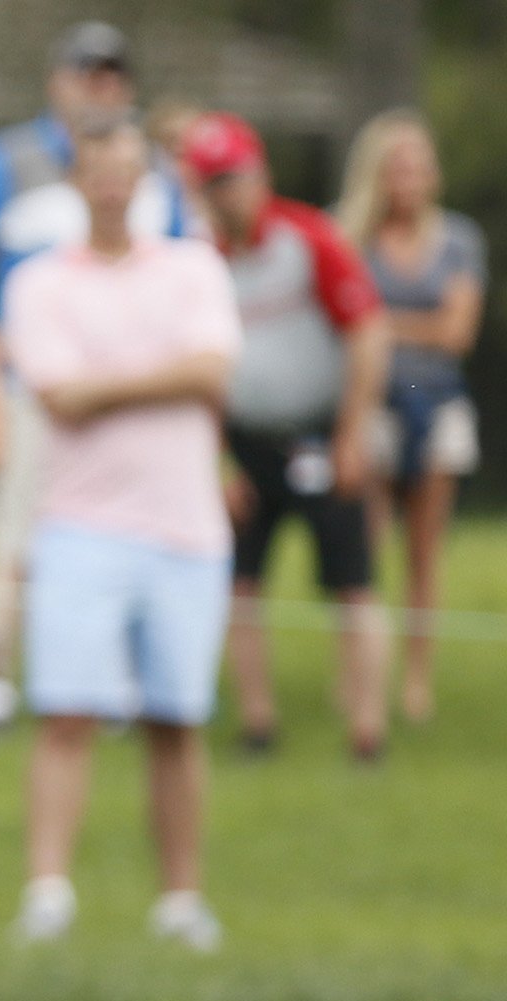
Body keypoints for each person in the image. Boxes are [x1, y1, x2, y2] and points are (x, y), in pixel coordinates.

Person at [2, 121, 242, 952]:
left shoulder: (193, 268)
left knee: (176, 719)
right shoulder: (39, 283)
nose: (113, 187)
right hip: (81, 526)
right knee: (66, 712)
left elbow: (211, 371)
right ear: (76, 182)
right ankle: (47, 894)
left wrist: (109, 385)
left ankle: (180, 901)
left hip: (186, 527)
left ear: (149, 183)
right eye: (98, 173)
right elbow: (58, 396)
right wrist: (161, 377)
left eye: (128, 174)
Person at [0, 22, 189, 731]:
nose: (98, 86)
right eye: (85, 72)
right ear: (57, 81)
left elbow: (187, 265)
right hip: (33, 387)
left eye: (111, 74)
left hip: (137, 392)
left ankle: (117, 680)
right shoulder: (11, 159)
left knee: (125, 531)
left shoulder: (159, 169)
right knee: (15, 533)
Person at [182, 111, 393, 761]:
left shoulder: (310, 239)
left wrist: (353, 434)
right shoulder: (198, 262)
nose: (227, 193)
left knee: (351, 585)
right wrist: (214, 463)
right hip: (246, 443)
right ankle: (258, 723)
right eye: (212, 181)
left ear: (260, 172)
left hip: (324, 435)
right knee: (240, 585)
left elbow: (367, 334)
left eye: (234, 177)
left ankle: (366, 730)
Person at [336, 109, 486, 725]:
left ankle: (417, 680)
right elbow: (341, 323)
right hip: (371, 405)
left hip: (438, 402)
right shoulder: (348, 236)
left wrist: (378, 325)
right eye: (398, 164)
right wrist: (388, 331)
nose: (410, 176)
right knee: (363, 550)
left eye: (419, 164)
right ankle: (362, 678)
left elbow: (457, 333)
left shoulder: (457, 239)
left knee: (424, 551)